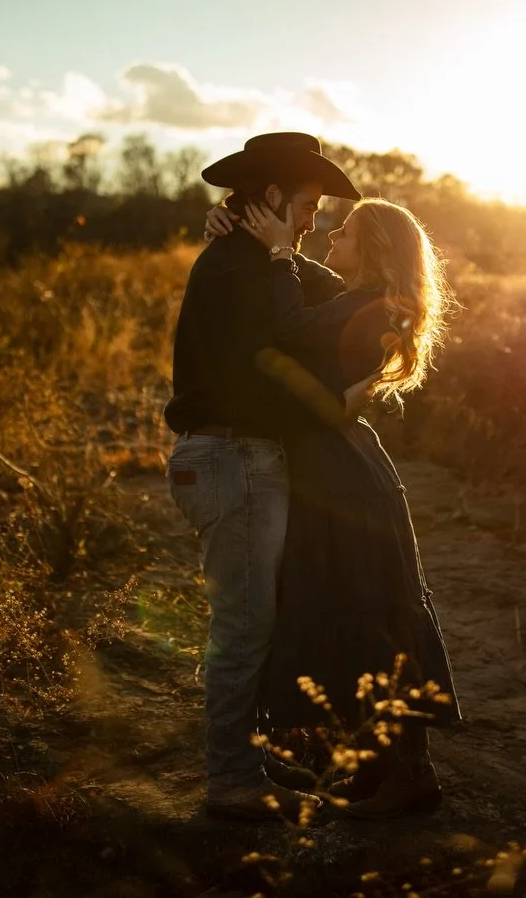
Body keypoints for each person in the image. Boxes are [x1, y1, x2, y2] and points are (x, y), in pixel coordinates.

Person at [204, 195, 463, 819]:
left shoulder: (372, 305)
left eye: (342, 230)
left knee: (373, 619)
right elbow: (306, 295)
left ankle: (410, 777)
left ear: (371, 246)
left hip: (347, 481)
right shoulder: (356, 297)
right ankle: (383, 771)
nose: (328, 233)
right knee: (354, 616)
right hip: (336, 474)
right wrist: (233, 235)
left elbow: (292, 326)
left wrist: (275, 252)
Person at [163, 132, 367, 822]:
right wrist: (332, 411)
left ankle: (243, 758)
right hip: (231, 458)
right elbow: (272, 363)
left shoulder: (250, 262)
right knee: (245, 627)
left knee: (254, 620)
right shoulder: (235, 269)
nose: (315, 219)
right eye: (307, 204)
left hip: (233, 459)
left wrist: (278, 249)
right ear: (274, 196)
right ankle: (232, 783)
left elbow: (320, 297)